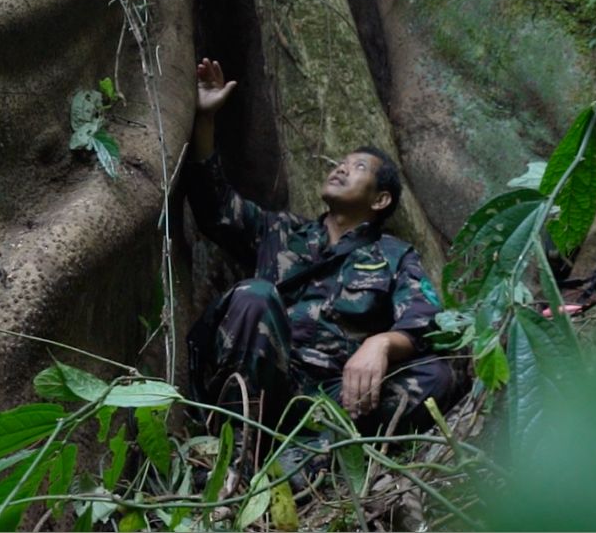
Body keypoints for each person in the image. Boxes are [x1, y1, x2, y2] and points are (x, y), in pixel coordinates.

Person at [185, 57, 456, 444]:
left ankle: (311, 453)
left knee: (438, 375)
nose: (341, 169)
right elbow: (215, 209)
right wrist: (205, 119)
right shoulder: (280, 230)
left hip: (332, 398)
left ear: (380, 200)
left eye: (357, 166)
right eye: (339, 163)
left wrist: (378, 343)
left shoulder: (395, 256)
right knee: (254, 295)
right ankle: (234, 454)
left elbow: (424, 324)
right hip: (258, 383)